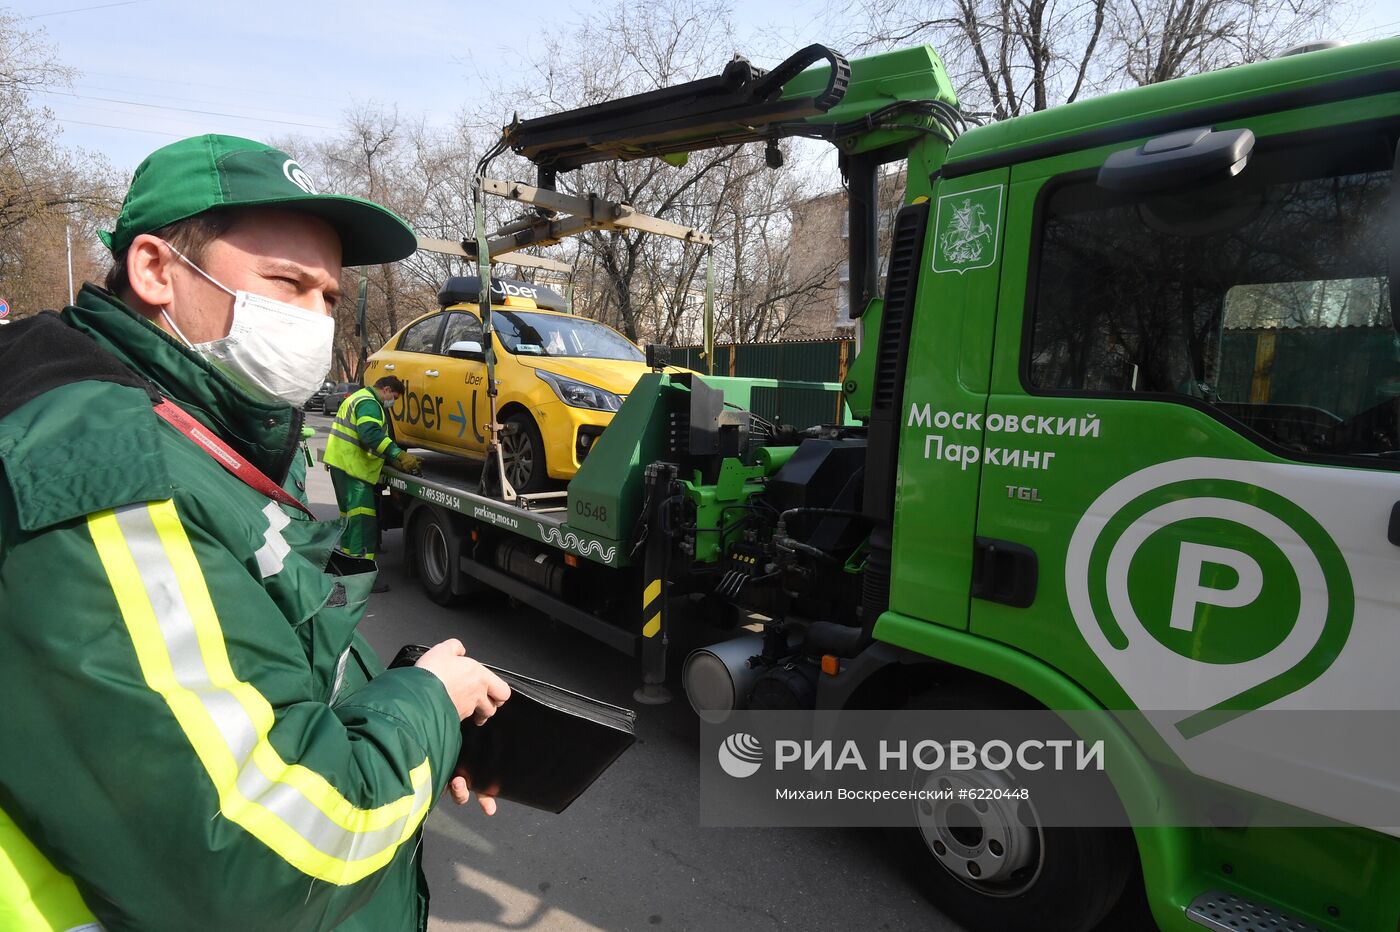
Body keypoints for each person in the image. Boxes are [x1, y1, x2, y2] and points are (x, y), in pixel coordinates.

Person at [0, 134, 510, 931]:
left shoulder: (178, 427)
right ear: (156, 271)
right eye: (287, 284)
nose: (311, 319)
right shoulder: (105, 469)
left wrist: (415, 722)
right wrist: (426, 707)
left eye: (329, 299)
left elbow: (255, 673)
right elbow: (264, 857)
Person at [324, 374, 420, 590]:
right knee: (362, 524)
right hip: (353, 470)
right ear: (385, 389)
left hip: (344, 466)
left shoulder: (359, 398)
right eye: (393, 396)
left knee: (350, 522)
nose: (392, 401)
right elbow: (370, 435)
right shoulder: (369, 403)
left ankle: (346, 573)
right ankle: (362, 579)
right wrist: (398, 455)